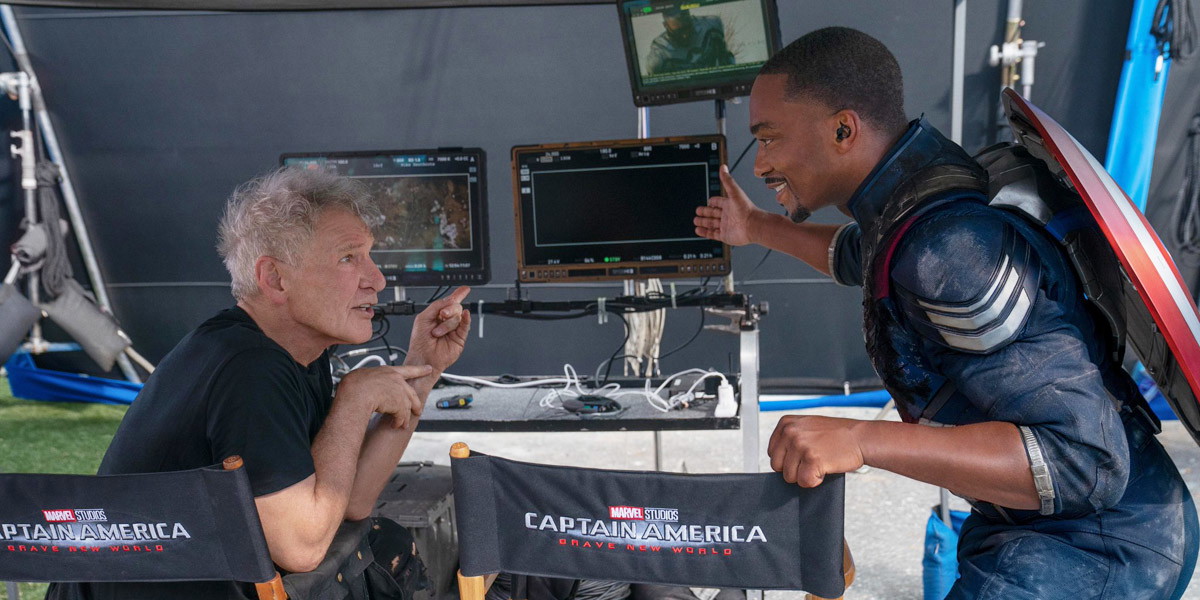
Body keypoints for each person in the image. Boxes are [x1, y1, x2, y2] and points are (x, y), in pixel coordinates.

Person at [693, 26, 1198, 598]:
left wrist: (861, 439)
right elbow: (861, 256)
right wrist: (756, 227)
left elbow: (1084, 462)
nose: (760, 165)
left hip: (1100, 544)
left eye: (769, 138)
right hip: (1043, 526)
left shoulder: (952, 249)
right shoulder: (918, 202)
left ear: (842, 129)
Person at [48, 167, 471, 599]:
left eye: (369, 255)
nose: (377, 279)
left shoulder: (289, 352)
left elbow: (352, 502)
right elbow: (302, 548)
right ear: (275, 279)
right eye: (348, 257)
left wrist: (424, 366)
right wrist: (353, 399)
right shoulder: (247, 368)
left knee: (384, 542)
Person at [644, 8, 734, 76]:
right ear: (665, 25)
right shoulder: (659, 55)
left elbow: (725, 57)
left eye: (687, 28)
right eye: (678, 31)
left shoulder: (711, 26)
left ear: (691, 19)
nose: (685, 35)